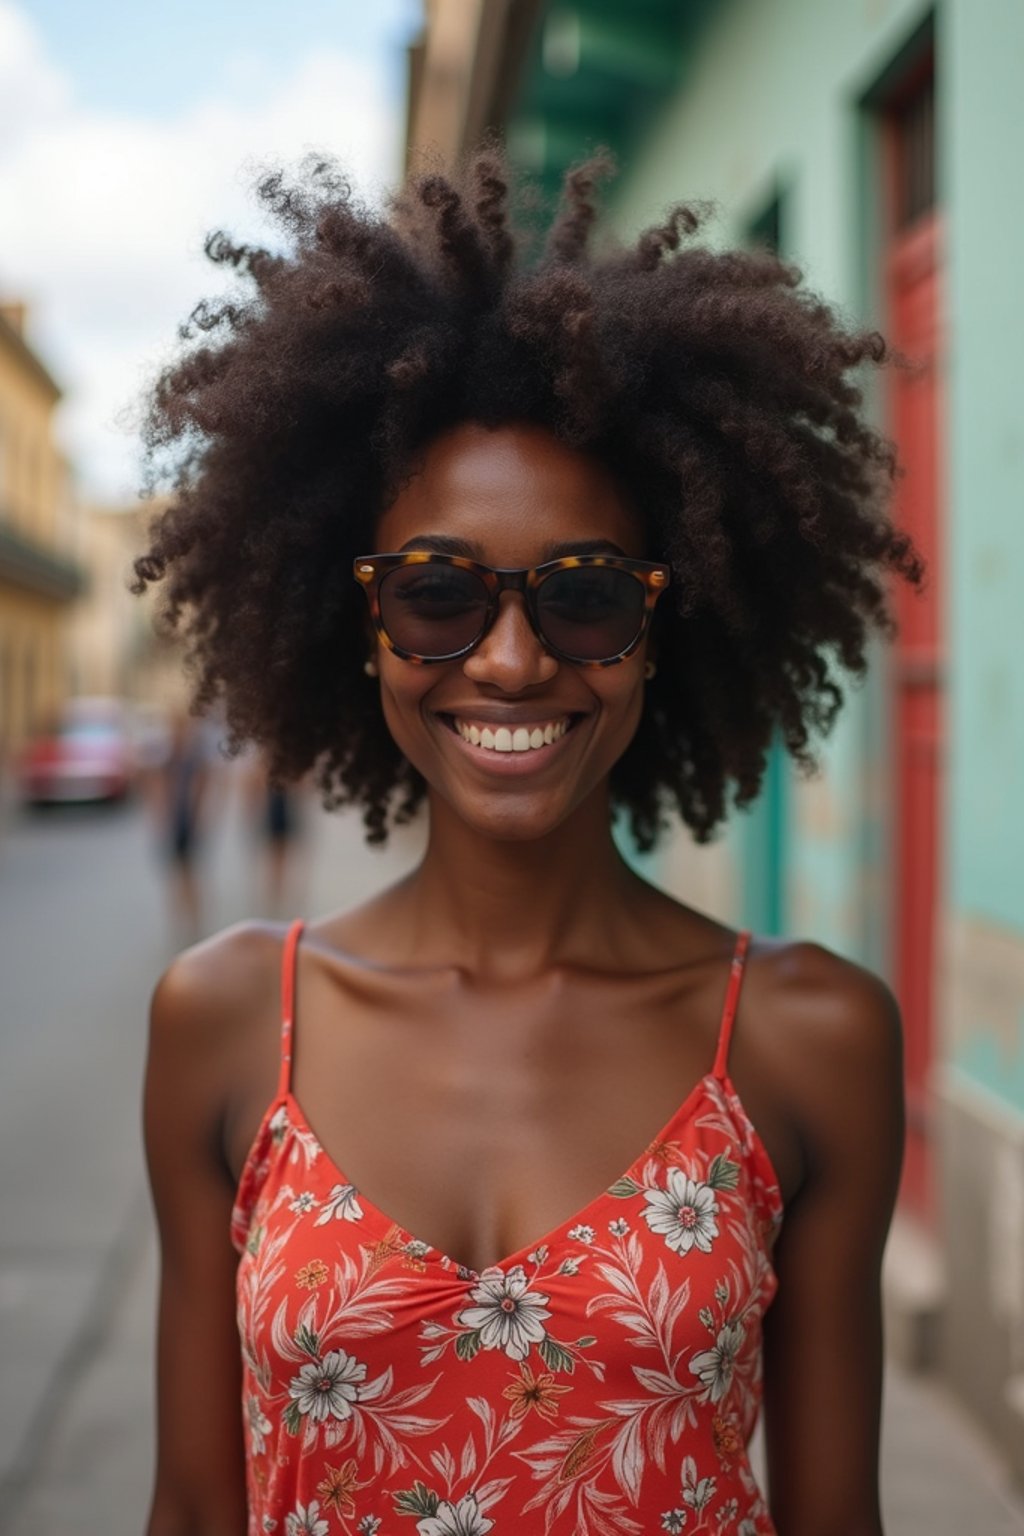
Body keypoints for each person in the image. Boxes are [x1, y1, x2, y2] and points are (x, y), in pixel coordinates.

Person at [134, 147, 922, 1536]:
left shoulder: (810, 1039)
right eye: (438, 592)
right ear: (356, 621)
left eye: (584, 596)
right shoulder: (225, 1020)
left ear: (667, 622)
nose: (507, 662)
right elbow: (196, 1506)